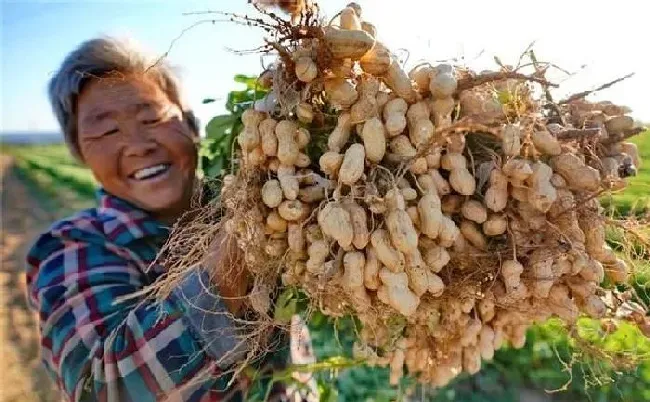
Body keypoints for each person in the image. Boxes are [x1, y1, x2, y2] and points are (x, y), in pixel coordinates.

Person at [25, 36, 315, 401]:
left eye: (153, 117)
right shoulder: (71, 248)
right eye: (106, 130)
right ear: (81, 154)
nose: (138, 143)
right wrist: (243, 235)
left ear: (192, 125)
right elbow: (101, 389)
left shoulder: (274, 197)